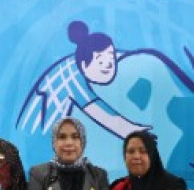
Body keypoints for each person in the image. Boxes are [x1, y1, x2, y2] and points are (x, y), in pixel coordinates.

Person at [16, 20, 148, 138]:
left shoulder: (85, 59)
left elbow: (122, 56)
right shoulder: (70, 75)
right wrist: (134, 131)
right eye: (101, 62)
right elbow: (103, 114)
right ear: (84, 66)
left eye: (111, 59)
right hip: (35, 136)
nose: (109, 65)